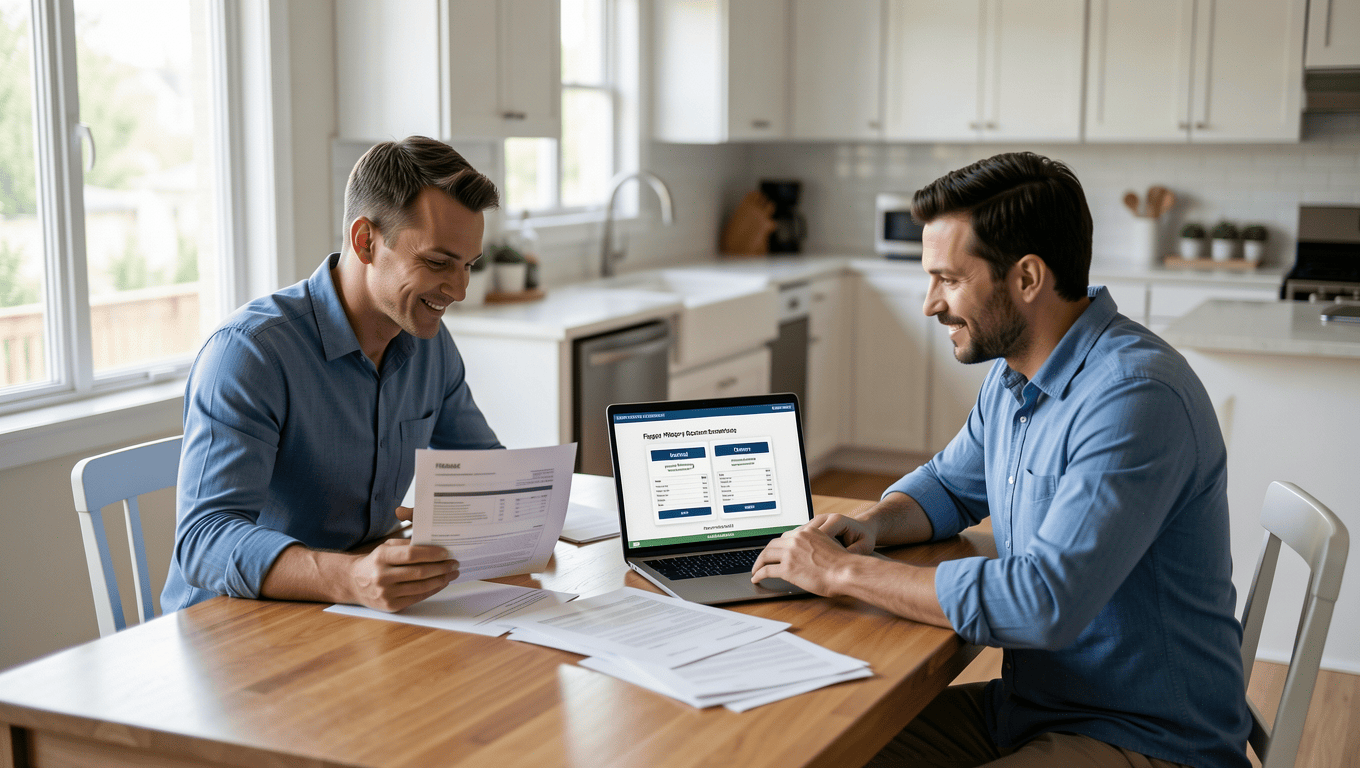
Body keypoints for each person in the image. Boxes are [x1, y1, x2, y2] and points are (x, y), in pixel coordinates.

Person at [752, 152, 1251, 767]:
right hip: (1034, 707)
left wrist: (840, 574)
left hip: (1145, 738)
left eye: (950, 280)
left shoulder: (1132, 397)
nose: (930, 304)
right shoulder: (1017, 374)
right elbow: (949, 485)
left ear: (1027, 278)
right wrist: (870, 526)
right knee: (827, 748)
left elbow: (1042, 602)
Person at [161, 136, 503, 615]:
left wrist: (502, 516)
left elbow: (488, 473)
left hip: (352, 615)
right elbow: (202, 541)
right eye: (437, 262)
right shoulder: (250, 353)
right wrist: (351, 578)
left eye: (468, 265)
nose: (460, 290)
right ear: (366, 241)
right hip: (233, 626)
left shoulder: (429, 345)